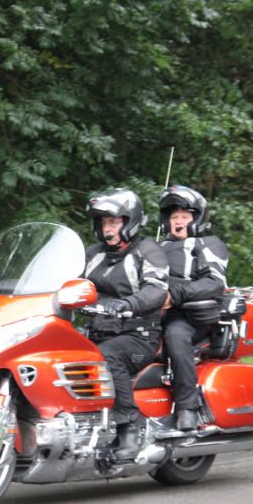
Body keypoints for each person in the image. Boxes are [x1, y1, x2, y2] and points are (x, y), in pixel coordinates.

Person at [84, 188, 169, 459]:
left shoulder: (148, 251)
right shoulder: (93, 254)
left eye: (114, 222)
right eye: (104, 223)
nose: (107, 229)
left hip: (139, 335)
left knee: (106, 356)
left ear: (129, 221)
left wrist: (127, 304)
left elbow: (157, 289)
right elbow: (63, 282)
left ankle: (130, 424)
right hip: (97, 330)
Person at [158, 185, 229, 431]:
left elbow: (215, 283)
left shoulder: (207, 244)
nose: (178, 222)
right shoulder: (155, 247)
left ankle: (188, 406)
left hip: (189, 315)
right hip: (151, 313)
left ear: (197, 219)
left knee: (175, 337)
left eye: (184, 217)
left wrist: (175, 294)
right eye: (174, 217)